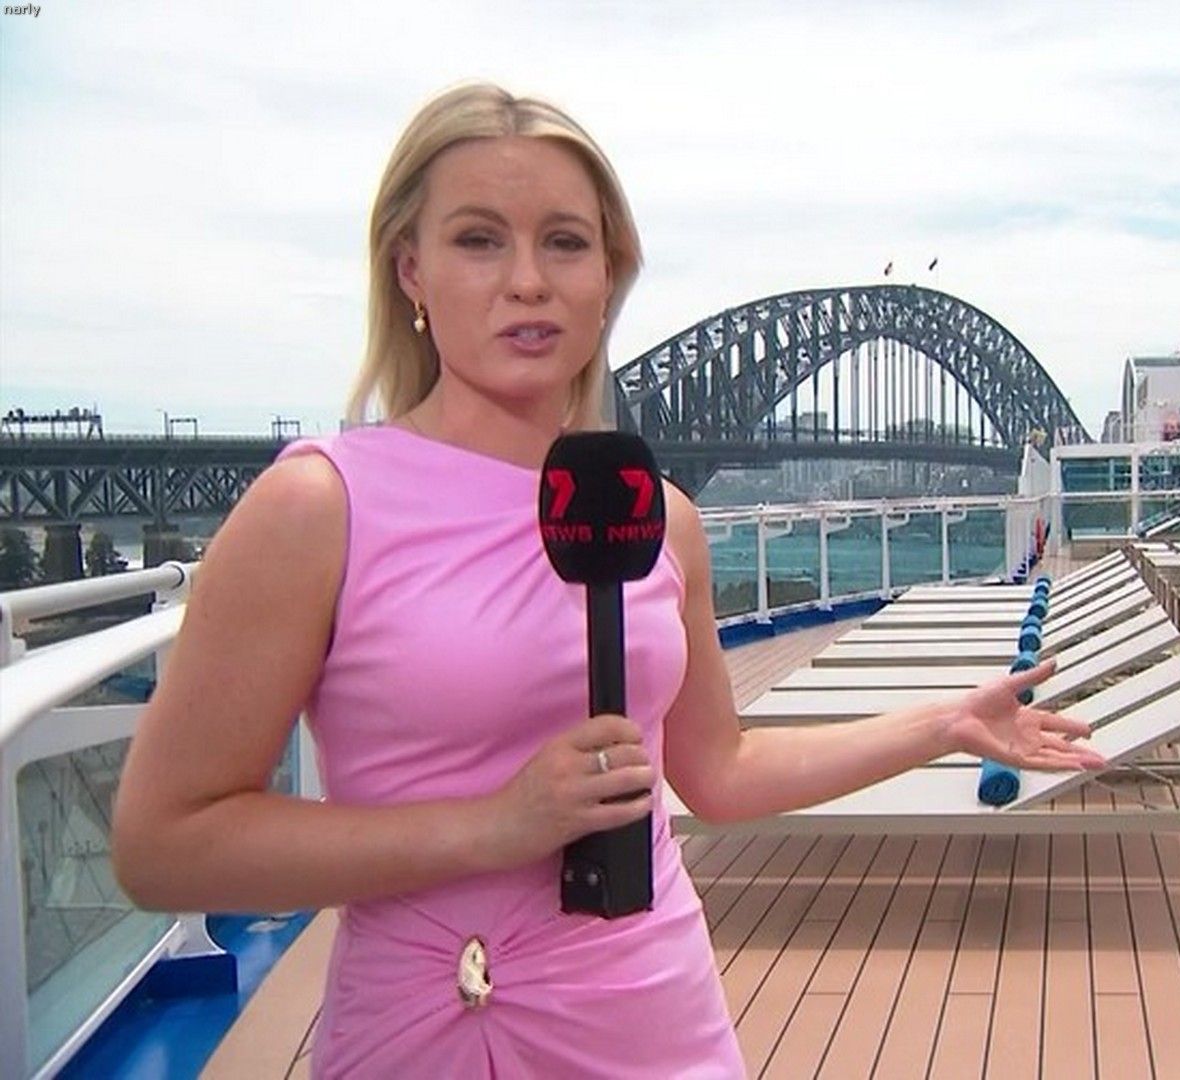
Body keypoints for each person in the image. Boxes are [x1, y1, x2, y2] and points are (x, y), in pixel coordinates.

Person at [110, 82, 1106, 1078]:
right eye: (479, 240)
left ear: (607, 275)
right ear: (411, 268)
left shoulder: (659, 514)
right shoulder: (318, 507)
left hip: (658, 1022)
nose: (528, 281)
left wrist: (943, 724)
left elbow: (721, 773)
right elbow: (163, 845)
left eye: (565, 243)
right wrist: (492, 829)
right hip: (431, 1034)